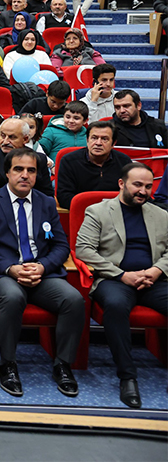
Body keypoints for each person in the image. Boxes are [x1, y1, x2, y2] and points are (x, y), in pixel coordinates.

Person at [0, 147, 84, 398]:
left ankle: (62, 365)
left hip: (41, 272)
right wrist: (11, 268)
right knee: (13, 297)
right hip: (3, 273)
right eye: (18, 169)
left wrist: (43, 266)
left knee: (73, 299)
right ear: (7, 173)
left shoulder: (46, 202)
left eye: (31, 170)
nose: (25, 175)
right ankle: (7, 364)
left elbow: (61, 245)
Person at [76, 163, 168, 409]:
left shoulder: (161, 214)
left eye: (148, 186)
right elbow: (84, 250)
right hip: (114, 280)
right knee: (116, 306)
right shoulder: (98, 211)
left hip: (153, 279)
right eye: (137, 185)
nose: (143, 191)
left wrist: (156, 270)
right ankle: (127, 377)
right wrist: (121, 274)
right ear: (121, 184)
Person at [0, 118, 55, 197]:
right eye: (3, 136)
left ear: (25, 139)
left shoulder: (39, 159)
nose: (5, 141)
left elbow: (47, 194)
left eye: (12, 137)